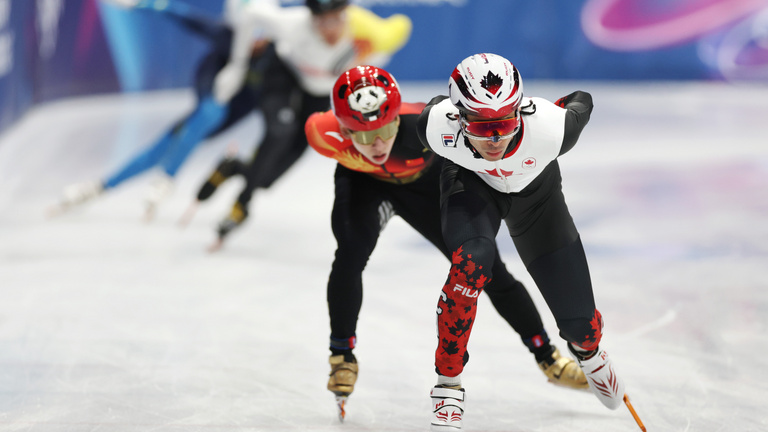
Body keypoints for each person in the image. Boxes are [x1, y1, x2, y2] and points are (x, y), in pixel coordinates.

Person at [305, 65, 589, 422]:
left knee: (488, 271)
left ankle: (547, 356)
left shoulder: (423, 125)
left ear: (397, 118)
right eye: (362, 136)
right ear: (343, 129)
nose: (377, 144)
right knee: (349, 255)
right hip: (365, 187)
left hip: (426, 189)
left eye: (386, 129)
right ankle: (341, 354)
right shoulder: (320, 133)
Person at [417, 53, 629, 430]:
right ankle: (448, 382)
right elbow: (433, 108)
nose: (496, 139)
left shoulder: (553, 128)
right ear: (460, 118)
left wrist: (555, 107)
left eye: (504, 123)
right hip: (472, 186)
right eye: (482, 128)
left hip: (537, 198)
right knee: (473, 262)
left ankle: (588, 350)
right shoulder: (435, 128)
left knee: (581, 326)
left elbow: (582, 98)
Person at [190, 0, 412, 252]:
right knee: (279, 131)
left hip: (317, 92)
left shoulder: (370, 34)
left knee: (268, 177)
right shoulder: (292, 23)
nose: (330, 29)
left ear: (347, 15)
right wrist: (237, 66)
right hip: (283, 75)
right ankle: (242, 204)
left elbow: (402, 26)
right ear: (310, 18)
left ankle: (232, 167)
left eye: (336, 19)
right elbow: (252, 14)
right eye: (322, 21)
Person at [50, 0, 272, 220]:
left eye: (260, 36)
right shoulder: (226, 37)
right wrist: (138, 4)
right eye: (249, 34)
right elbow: (181, 14)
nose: (254, 43)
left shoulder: (278, 57)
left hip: (227, 114)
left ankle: (102, 186)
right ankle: (155, 178)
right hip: (211, 99)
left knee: (163, 148)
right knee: (205, 116)